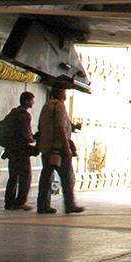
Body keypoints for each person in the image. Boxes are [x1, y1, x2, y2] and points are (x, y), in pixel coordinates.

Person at [36, 83, 85, 214]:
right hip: (58, 149)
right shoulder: (60, 106)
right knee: (67, 177)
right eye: (64, 91)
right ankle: (70, 204)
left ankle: (42, 205)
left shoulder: (46, 106)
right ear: (60, 93)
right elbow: (59, 127)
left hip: (46, 147)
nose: (66, 94)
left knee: (45, 177)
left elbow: (41, 126)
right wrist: (66, 147)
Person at [0, 91, 36, 211]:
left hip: (11, 150)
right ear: (26, 101)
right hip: (21, 151)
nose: (33, 103)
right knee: (26, 176)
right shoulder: (24, 115)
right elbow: (26, 134)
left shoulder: (13, 112)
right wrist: (33, 140)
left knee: (13, 176)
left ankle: (9, 203)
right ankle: (20, 202)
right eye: (32, 100)